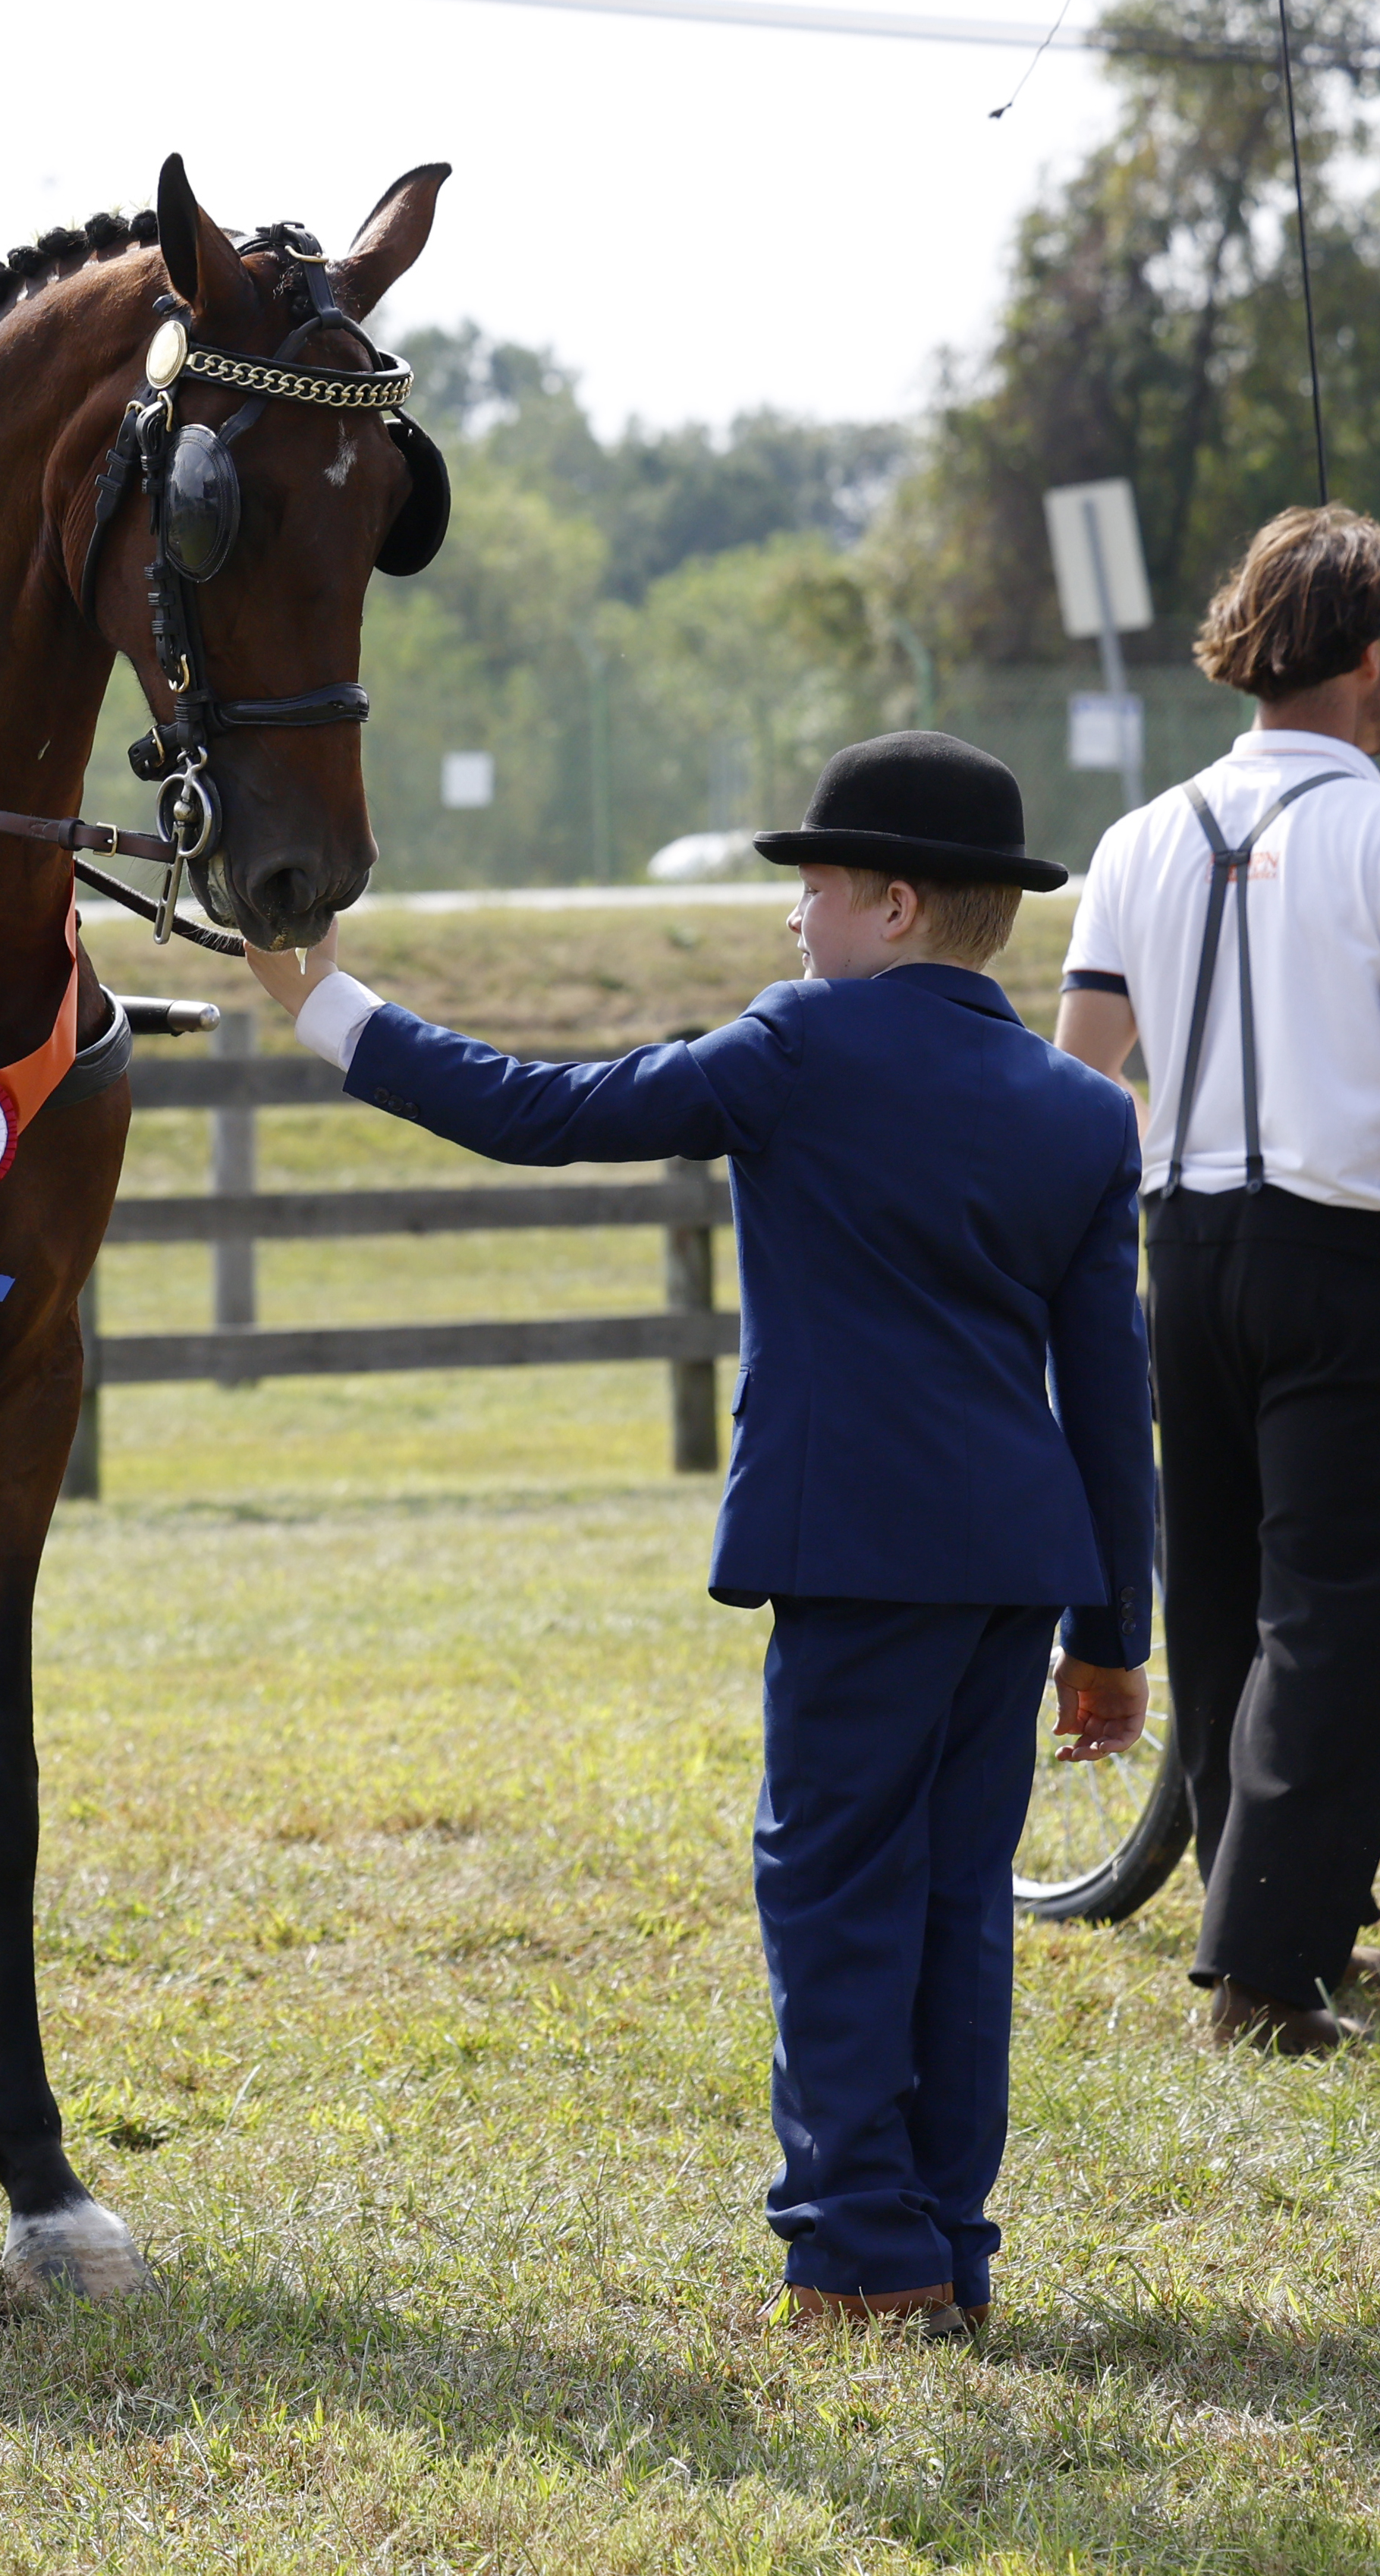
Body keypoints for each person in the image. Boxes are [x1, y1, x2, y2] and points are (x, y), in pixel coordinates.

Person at [248, 732, 1153, 2339]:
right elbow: (1107, 1393)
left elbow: (541, 1112)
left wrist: (328, 1006)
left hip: (854, 1551)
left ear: (891, 903)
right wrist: (1115, 1639)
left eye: (816, 888)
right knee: (956, 1905)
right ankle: (944, 2243)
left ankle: (860, 2254)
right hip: (1019, 1565)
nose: (794, 918)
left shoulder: (801, 1045)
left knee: (832, 1893)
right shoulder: (1084, 1111)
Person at [1055, 505, 1380, 2055]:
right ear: (1361, 660)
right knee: (1338, 1610)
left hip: (1186, 1252)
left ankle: (1271, 1919)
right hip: (1339, 1255)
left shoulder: (1140, 836)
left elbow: (1080, 1074)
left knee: (1221, 1599)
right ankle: (1267, 1981)